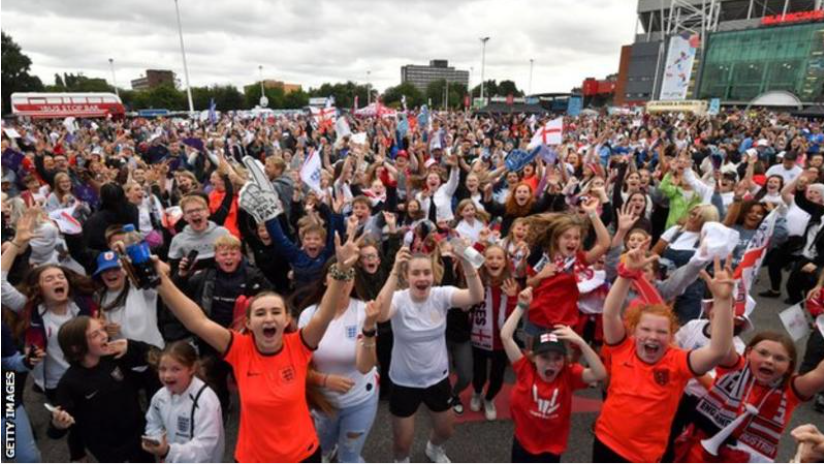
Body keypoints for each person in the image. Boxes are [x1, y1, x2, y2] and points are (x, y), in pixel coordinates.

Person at [155, 227, 360, 462]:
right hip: (253, 457)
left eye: (275, 312)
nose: (269, 318)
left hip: (303, 454)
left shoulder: (300, 344)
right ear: (249, 323)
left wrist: (342, 269)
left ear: (286, 320)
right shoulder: (239, 348)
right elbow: (196, 320)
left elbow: (324, 313)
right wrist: (160, 281)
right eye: (261, 313)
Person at [592, 244, 736, 463]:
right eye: (646, 329)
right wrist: (626, 274)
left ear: (670, 336)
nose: (653, 336)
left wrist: (723, 302)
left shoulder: (677, 361)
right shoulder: (623, 348)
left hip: (643, 456)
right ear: (633, 330)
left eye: (661, 331)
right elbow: (610, 314)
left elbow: (718, 351)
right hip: (605, 441)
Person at [375, 245, 485, 463]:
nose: (422, 277)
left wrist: (466, 262)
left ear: (433, 276)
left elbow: (476, 296)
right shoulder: (398, 298)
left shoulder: (441, 295)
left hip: (437, 379)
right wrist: (394, 270)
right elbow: (380, 314)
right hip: (404, 382)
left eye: (426, 272)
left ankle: (433, 448)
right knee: (402, 443)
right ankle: (401, 460)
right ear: (406, 277)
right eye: (415, 273)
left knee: (446, 430)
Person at [676, 332, 824, 462]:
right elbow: (722, 340)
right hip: (697, 454)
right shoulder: (733, 369)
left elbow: (819, 376)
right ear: (748, 352)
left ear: (789, 367)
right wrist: (724, 301)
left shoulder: (790, 391)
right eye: (763, 353)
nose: (770, 361)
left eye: (779, 358)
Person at [501, 287, 607, 463]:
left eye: (557, 358)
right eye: (544, 357)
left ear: (564, 359)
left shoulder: (568, 374)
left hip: (552, 447)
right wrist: (521, 306)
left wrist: (580, 342)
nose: (551, 363)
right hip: (523, 442)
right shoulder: (525, 368)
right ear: (534, 358)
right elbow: (506, 336)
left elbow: (599, 373)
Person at [298, 258, 380, 463]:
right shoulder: (309, 316)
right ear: (325, 280)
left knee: (349, 457)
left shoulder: (363, 311)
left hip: (360, 400)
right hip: (323, 403)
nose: (343, 282)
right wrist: (324, 380)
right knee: (321, 450)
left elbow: (364, 366)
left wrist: (369, 329)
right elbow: (299, 367)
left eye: (348, 276)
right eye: (337, 275)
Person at [47, 316, 153, 462]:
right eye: (95, 335)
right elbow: (59, 431)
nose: (105, 335)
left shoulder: (115, 357)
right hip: (110, 451)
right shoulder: (69, 383)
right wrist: (58, 425)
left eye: (102, 330)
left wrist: (130, 345)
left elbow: (156, 358)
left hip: (140, 435)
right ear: (76, 347)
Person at [143, 341, 225, 463]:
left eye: (175, 369)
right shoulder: (160, 396)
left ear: (191, 368)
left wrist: (168, 451)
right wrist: (157, 440)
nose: (167, 375)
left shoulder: (206, 401)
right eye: (162, 369)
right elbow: (153, 422)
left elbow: (205, 448)